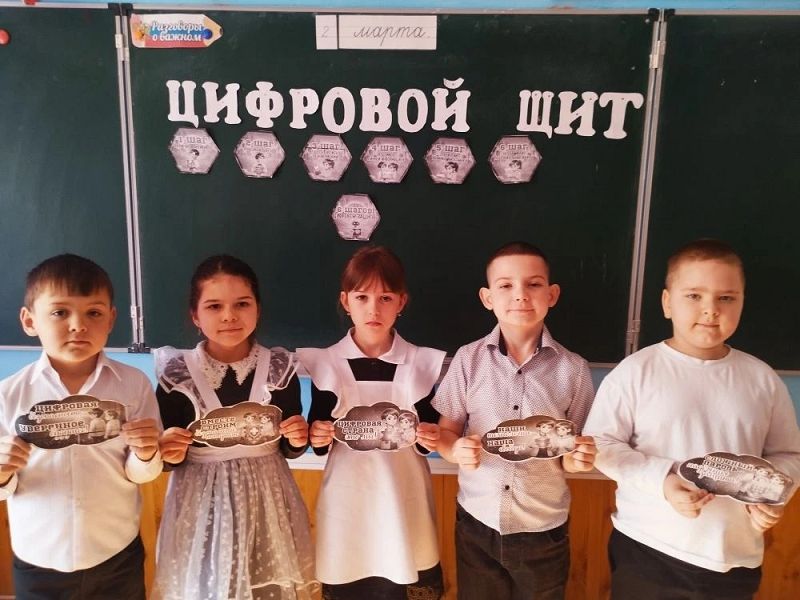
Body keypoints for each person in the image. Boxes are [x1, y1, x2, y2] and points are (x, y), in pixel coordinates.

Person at [583, 239, 800, 600]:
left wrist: (773, 493)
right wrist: (664, 481)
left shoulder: (763, 379)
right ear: (667, 302)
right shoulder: (635, 372)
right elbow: (601, 445)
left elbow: (789, 456)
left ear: (742, 302)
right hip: (648, 549)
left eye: (726, 298)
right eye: (694, 296)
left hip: (734, 557)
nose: (710, 309)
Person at [434, 241, 597, 600]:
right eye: (506, 285)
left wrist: (579, 459)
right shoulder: (467, 359)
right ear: (487, 297)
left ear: (552, 294)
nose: (520, 295)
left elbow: (573, 453)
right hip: (477, 523)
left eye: (534, 284)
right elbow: (446, 432)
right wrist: (454, 450)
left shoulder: (574, 370)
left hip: (543, 529)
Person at [153, 255, 317, 600]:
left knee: (267, 585)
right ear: (195, 315)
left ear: (257, 309)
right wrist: (169, 450)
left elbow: (289, 446)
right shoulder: (177, 375)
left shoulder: (279, 369)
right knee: (210, 587)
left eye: (242, 304)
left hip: (268, 501)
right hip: (203, 505)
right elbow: (167, 457)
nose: (229, 316)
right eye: (214, 306)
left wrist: (297, 438)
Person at [0, 254, 162, 598]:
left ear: (111, 319)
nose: (78, 325)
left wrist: (147, 454)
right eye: (60, 312)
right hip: (39, 560)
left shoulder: (134, 385)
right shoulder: (8, 394)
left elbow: (142, 474)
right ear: (29, 321)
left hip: (116, 556)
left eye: (94, 313)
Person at [297, 245, 446, 600]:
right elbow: (318, 432)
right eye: (362, 297)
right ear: (346, 301)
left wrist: (431, 436)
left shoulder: (422, 363)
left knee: (405, 572)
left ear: (401, 302)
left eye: (385, 298)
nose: (373, 309)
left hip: (403, 494)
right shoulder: (326, 364)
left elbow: (429, 435)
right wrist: (318, 435)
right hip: (349, 499)